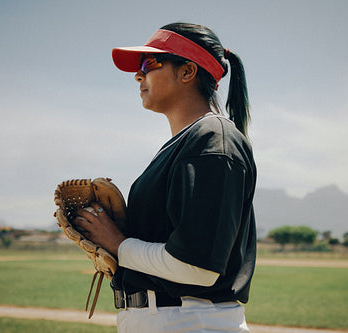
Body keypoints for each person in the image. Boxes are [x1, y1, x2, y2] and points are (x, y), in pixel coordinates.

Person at [75, 22, 257, 333]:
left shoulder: (212, 140)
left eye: (149, 63)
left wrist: (119, 243)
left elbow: (198, 268)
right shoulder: (188, 142)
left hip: (189, 322)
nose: (138, 74)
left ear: (188, 72)